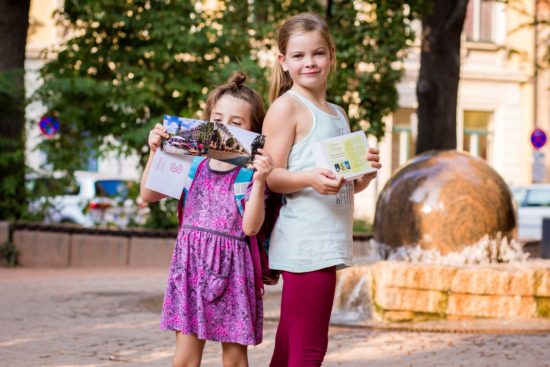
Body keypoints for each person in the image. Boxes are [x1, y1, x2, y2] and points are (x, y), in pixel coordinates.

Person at [262, 12, 382, 367]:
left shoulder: (338, 113)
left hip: (325, 241)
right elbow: (270, 176)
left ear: (331, 54)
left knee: (288, 350)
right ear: (283, 62)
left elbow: (343, 181)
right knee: (309, 351)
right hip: (305, 243)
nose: (309, 63)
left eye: (317, 53)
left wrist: (364, 176)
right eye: (298, 56)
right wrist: (310, 179)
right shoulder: (287, 108)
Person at [140, 72, 274, 367]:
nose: (223, 128)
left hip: (235, 271)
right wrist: (155, 152)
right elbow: (149, 193)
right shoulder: (189, 162)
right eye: (217, 119)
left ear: (252, 131)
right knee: (184, 360)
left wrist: (262, 179)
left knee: (235, 359)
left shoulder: (249, 175)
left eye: (236, 123)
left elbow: (251, 227)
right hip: (191, 268)